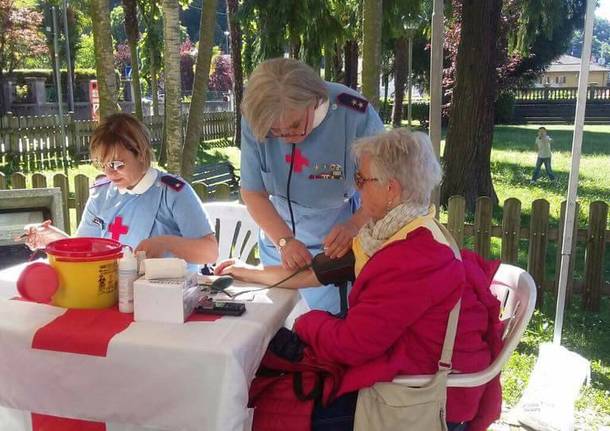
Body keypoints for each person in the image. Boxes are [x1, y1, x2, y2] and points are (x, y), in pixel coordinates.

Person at [218, 129, 503, 431]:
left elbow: (352, 345)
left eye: (361, 180)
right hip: (411, 372)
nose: (357, 190)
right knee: (276, 371)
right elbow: (315, 273)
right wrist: (243, 271)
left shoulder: (413, 256)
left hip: (425, 398)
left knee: (266, 405)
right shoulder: (395, 232)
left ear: (390, 189)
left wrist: (304, 322)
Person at [240, 57, 385, 314]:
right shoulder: (256, 115)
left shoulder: (353, 112)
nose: (287, 138)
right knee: (281, 330)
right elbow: (253, 192)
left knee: (330, 328)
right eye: (275, 132)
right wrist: (284, 241)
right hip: (279, 245)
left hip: (337, 245)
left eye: (295, 125)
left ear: (314, 100)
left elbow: (381, 185)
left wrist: (354, 224)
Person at [21, 113, 218, 266]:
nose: (110, 173)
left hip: (168, 292)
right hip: (114, 289)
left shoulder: (173, 192)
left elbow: (210, 252)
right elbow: (85, 249)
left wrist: (166, 243)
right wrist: (54, 240)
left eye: (117, 164)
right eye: (102, 164)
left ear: (140, 154)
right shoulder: (101, 194)